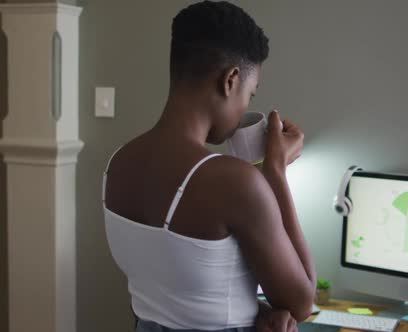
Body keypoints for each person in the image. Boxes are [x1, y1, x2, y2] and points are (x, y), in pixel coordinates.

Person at [102, 1, 317, 332]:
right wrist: (275, 171)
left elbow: (180, 285)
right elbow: (301, 302)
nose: (247, 105)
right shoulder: (235, 182)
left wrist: (254, 310)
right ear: (230, 79)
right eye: (250, 93)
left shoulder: (117, 163)